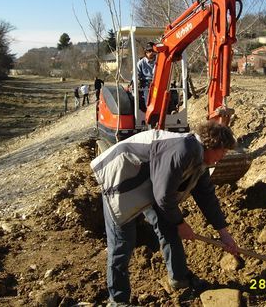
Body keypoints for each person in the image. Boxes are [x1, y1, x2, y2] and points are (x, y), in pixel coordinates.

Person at [90, 121, 238, 305]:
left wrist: (223, 232)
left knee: (169, 227)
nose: (223, 157)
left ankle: (180, 280)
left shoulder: (200, 159)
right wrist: (181, 224)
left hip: (150, 182)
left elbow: (206, 195)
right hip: (122, 175)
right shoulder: (184, 150)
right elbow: (164, 197)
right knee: (122, 242)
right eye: (223, 152)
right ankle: (118, 300)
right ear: (213, 145)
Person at [136, 42, 156, 106]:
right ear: (146, 52)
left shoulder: (159, 61)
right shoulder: (141, 63)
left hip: (157, 80)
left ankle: (170, 108)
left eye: (153, 51)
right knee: (147, 91)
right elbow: (137, 75)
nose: (151, 53)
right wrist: (137, 82)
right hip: (146, 82)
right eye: (149, 51)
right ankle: (148, 107)